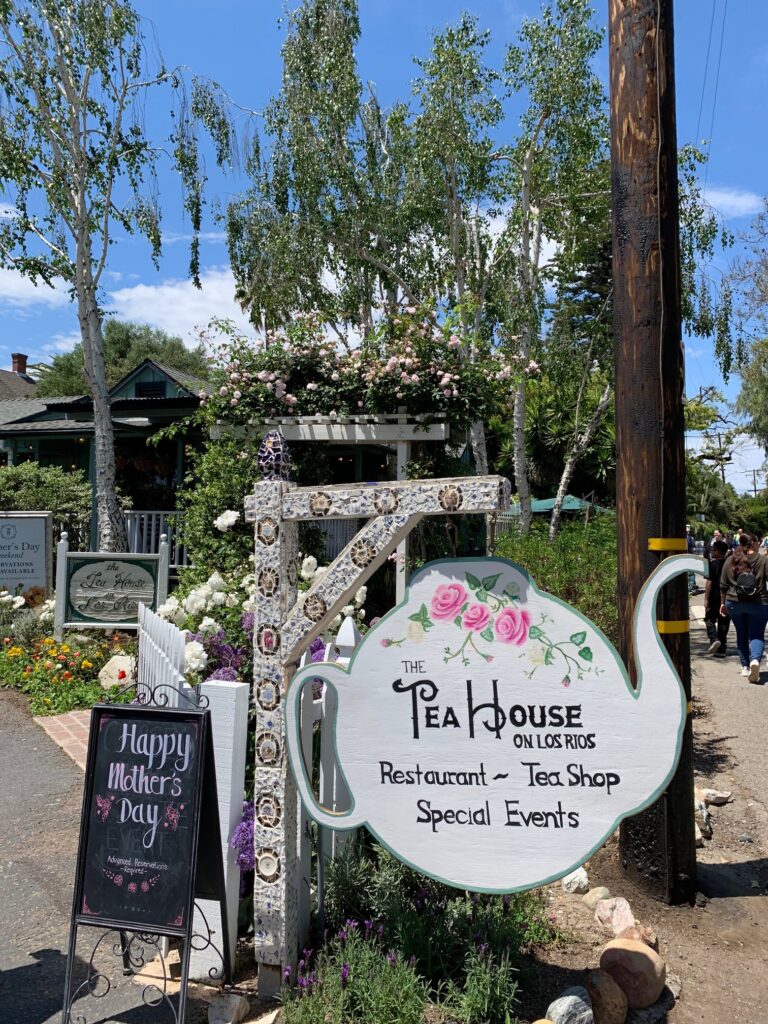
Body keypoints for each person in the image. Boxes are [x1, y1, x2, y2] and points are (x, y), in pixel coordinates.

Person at [720, 531, 768, 682]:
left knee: (741, 633)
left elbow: (723, 584)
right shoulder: (763, 560)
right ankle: (755, 660)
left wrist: (722, 603)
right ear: (754, 542)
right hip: (758, 603)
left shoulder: (730, 559)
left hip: (734, 602)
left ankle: (745, 667)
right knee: (756, 634)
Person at [705, 539, 730, 656]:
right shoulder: (730, 564)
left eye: (713, 550)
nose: (711, 551)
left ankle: (714, 639)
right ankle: (722, 648)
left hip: (714, 596)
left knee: (709, 619)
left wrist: (706, 599)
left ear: (719, 552)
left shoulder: (712, 564)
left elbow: (709, 582)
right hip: (727, 597)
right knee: (724, 621)